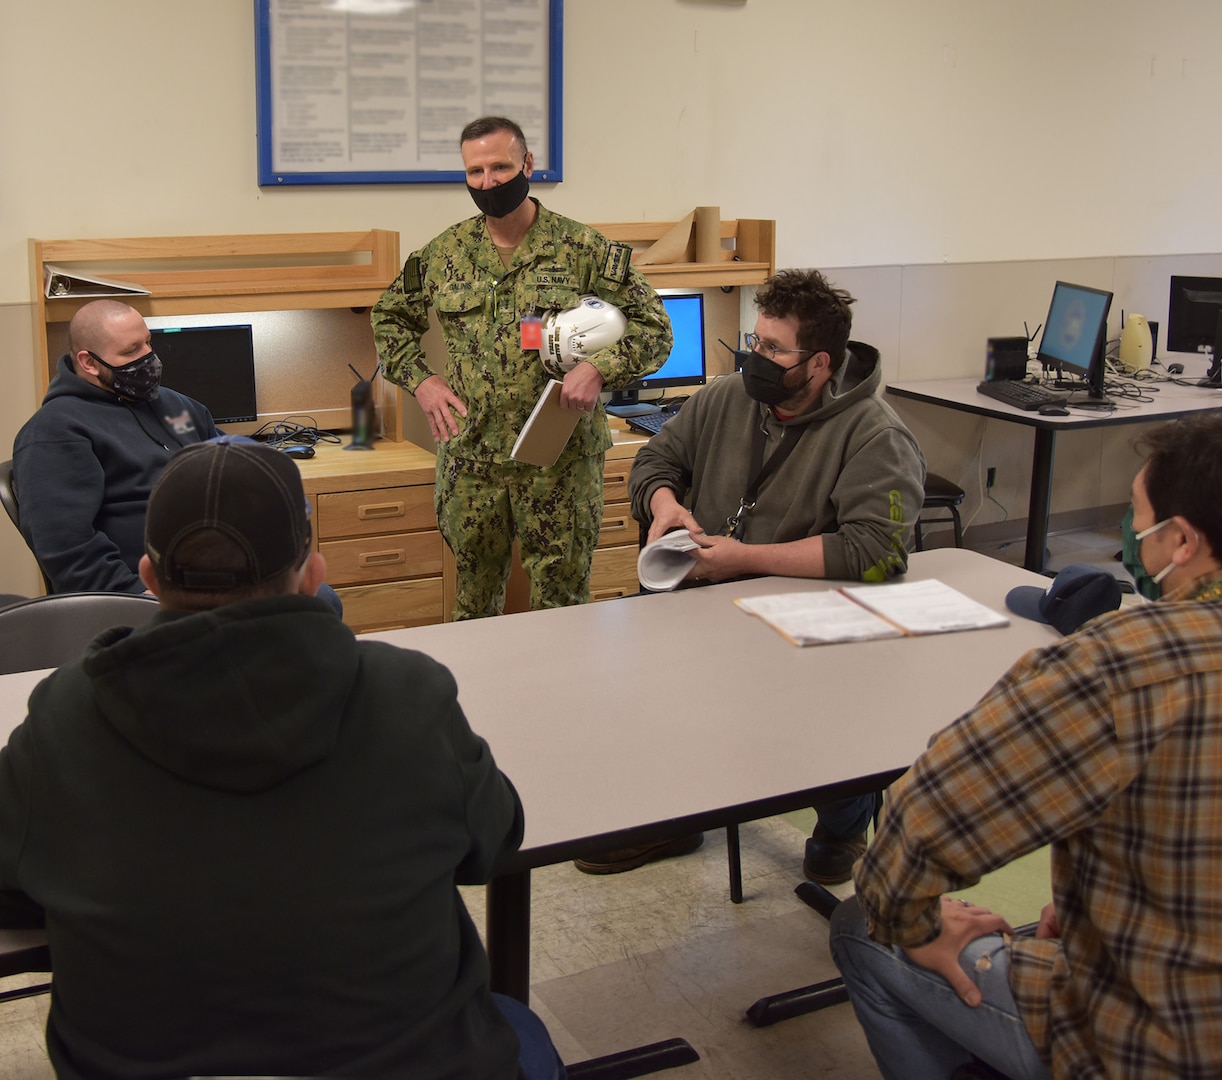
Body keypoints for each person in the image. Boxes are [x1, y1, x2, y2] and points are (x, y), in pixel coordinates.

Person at [830, 412, 1222, 1080]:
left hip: (1163, 1048)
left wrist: (920, 926)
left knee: (863, 925)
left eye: (1136, 514)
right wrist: (1092, 913)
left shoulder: (1118, 665)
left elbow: (917, 836)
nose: (1129, 532)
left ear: (1180, 542)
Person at [0, 440, 566, 1080]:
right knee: (518, 1027)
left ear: (149, 578)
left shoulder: (61, 718)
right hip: (412, 1061)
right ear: (313, 574)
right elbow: (493, 841)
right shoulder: (410, 696)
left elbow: (12, 890)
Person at [581, 269, 925, 882]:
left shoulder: (876, 434)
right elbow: (658, 459)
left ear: (819, 364)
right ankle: (676, 816)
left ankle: (842, 823)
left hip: (804, 615)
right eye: (753, 340)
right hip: (704, 593)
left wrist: (745, 559)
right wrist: (665, 503)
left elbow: (877, 549)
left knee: (829, 705)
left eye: (771, 348)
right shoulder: (726, 397)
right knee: (638, 674)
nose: (753, 357)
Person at [372, 115, 673, 619]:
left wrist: (599, 369)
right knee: (472, 602)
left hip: (560, 460)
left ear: (528, 163)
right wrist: (422, 382)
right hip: (473, 459)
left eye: (500, 166)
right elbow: (389, 318)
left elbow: (655, 330)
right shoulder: (445, 253)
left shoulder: (583, 249)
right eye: (475, 172)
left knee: (562, 606)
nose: (488, 182)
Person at [12, 298, 219, 593]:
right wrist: (134, 596)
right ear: (89, 363)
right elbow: (66, 547)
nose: (149, 358)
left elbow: (231, 464)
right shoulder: (56, 431)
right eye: (131, 350)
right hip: (146, 597)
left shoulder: (175, 405)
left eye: (148, 343)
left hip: (219, 573)